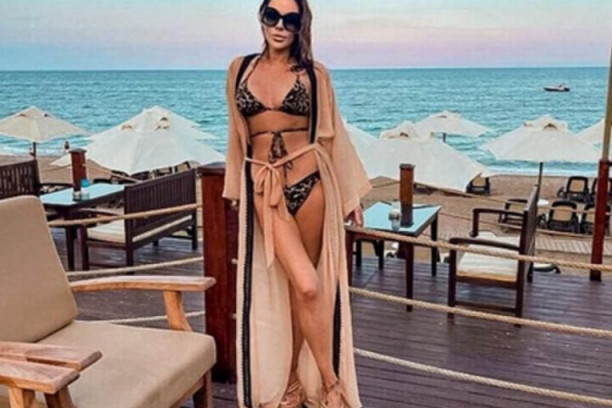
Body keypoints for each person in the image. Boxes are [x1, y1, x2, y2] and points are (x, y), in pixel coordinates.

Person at [222, 0, 371, 406]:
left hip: (311, 182)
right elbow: (236, 135)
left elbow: (333, 133)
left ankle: (292, 384)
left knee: (301, 292)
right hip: (264, 188)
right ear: (261, 18)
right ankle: (331, 385)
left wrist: (349, 196)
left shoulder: (314, 74)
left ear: (301, 25)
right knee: (308, 284)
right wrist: (235, 188)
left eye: (291, 20)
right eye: (272, 16)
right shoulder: (239, 69)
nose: (280, 26)